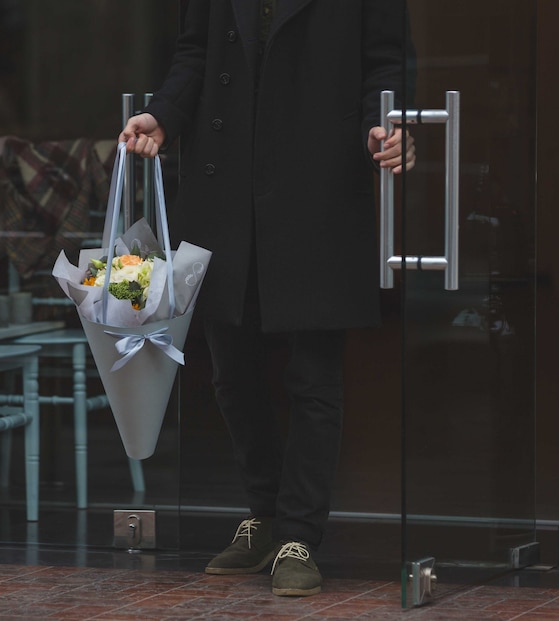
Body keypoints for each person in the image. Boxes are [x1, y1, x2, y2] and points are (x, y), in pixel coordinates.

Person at [120, 0, 415, 598]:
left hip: (319, 182)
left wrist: (392, 125)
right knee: (231, 370)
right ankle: (264, 514)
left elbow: (386, 61)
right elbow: (195, 52)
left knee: (313, 374)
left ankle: (300, 534)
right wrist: (164, 115)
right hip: (223, 181)